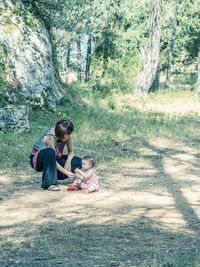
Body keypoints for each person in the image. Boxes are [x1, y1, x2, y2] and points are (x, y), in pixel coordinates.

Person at [29, 119, 82, 191]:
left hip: (55, 160)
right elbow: (52, 158)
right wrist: (66, 172)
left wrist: (68, 162)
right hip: (38, 160)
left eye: (68, 135)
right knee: (50, 152)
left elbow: (71, 151)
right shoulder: (50, 137)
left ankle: (54, 175)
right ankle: (50, 184)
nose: (67, 138)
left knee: (79, 161)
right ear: (59, 134)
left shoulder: (67, 134)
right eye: (65, 137)